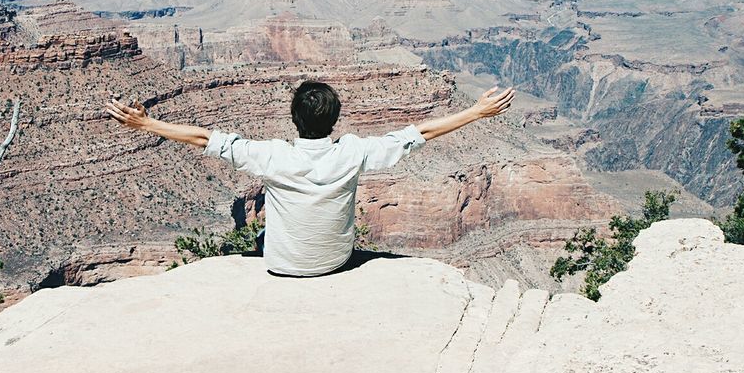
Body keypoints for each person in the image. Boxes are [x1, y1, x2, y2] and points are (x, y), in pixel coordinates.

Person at [103, 80, 516, 277]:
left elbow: (204, 139)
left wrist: (146, 123)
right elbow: (417, 134)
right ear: (335, 120)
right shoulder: (353, 152)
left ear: (293, 120)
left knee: (261, 236)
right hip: (337, 263)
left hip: (282, 266)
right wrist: (476, 112)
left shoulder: (272, 156)